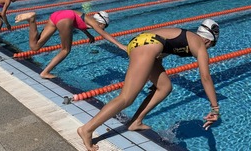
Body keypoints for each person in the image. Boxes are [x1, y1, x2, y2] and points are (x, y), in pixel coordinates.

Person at [77, 19, 220, 151]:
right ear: (209, 40)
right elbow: (205, 77)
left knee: (164, 87)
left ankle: (136, 122)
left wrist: (154, 77)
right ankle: (87, 129)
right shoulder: (200, 44)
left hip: (144, 43)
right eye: (211, 46)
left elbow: (162, 50)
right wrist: (215, 108)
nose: (208, 49)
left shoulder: (188, 38)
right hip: (147, 45)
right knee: (126, 98)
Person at [15, 10, 127, 79]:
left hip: (57, 15)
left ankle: (32, 20)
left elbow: (79, 23)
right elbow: (104, 34)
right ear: (102, 22)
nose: (104, 28)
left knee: (35, 46)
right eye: (105, 26)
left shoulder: (89, 19)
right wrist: (121, 46)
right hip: (65, 18)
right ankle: (45, 72)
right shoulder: (94, 23)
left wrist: (88, 35)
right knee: (65, 50)